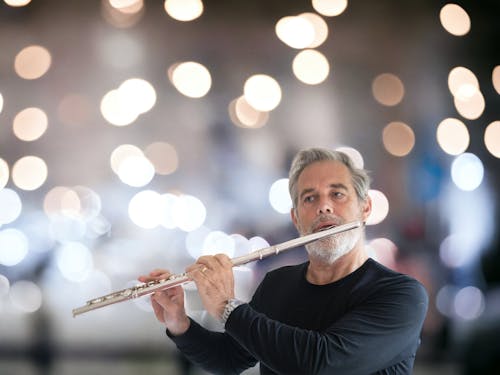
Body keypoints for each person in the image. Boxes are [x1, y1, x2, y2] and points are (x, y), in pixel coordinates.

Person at [139, 147, 429, 375]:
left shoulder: (401, 294)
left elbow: (320, 363)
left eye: (337, 194)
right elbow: (229, 359)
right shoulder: (278, 284)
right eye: (309, 199)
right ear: (296, 218)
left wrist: (228, 308)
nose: (324, 206)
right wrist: (178, 320)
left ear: (364, 208)